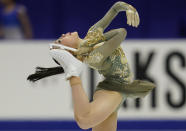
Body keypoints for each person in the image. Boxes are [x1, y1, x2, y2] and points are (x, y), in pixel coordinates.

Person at [28, 1, 155, 131]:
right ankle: (73, 74)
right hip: (114, 89)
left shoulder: (92, 33)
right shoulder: (93, 58)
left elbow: (115, 8)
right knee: (84, 120)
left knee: (87, 121)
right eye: (60, 41)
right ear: (70, 51)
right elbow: (120, 33)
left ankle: (73, 74)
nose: (62, 35)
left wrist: (129, 8)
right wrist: (94, 41)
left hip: (113, 88)